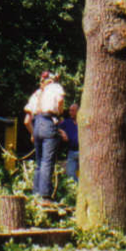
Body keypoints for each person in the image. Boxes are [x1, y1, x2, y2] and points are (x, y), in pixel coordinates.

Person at [30, 72, 65, 202]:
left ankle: (35, 193)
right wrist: (60, 112)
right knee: (47, 161)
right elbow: (60, 100)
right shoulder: (55, 87)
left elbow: (29, 113)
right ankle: (45, 195)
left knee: (39, 162)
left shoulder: (38, 93)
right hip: (48, 121)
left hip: (37, 122)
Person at [59, 103, 79, 181]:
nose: (70, 113)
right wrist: (63, 133)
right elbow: (55, 127)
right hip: (72, 152)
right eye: (70, 111)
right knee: (70, 174)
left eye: (73, 111)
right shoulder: (67, 122)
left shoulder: (83, 121)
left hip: (84, 152)